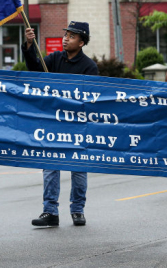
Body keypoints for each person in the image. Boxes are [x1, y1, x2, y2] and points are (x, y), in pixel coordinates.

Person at [23, 21, 99, 227]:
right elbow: (35, 70)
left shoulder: (89, 67)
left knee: (79, 168)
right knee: (50, 167)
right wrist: (30, 45)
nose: (66, 38)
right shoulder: (54, 59)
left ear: (82, 42)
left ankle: (77, 210)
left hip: (77, 126)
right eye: (66, 34)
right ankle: (50, 211)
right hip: (53, 124)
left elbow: (93, 100)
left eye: (72, 36)